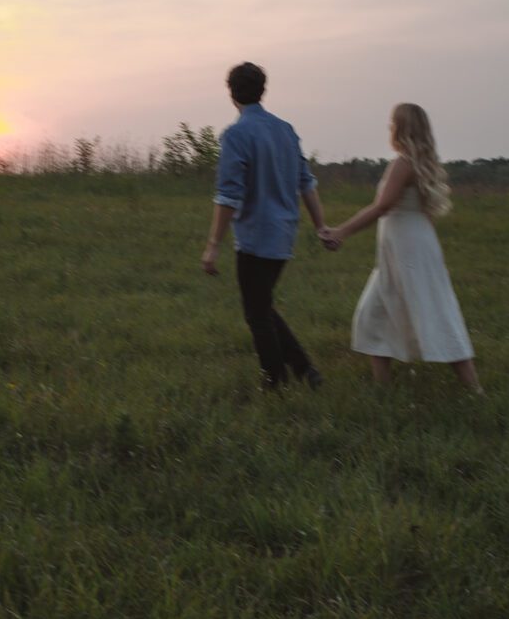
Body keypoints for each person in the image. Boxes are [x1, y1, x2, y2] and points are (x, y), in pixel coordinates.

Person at [322, 103, 483, 394]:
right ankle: (383, 389)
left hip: (408, 248)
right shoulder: (422, 161)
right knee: (375, 313)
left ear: (401, 128)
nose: (388, 127)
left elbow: (383, 205)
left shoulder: (403, 163)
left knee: (435, 312)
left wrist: (342, 231)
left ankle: (474, 390)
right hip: (407, 246)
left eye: (391, 123)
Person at [202, 62, 331, 390]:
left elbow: (229, 195)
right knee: (262, 305)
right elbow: (306, 182)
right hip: (284, 234)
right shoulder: (285, 130)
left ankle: (275, 381)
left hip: (255, 236)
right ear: (263, 90)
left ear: (232, 94)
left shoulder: (236, 135)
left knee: (256, 313)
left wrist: (213, 245)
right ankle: (305, 370)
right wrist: (321, 226)